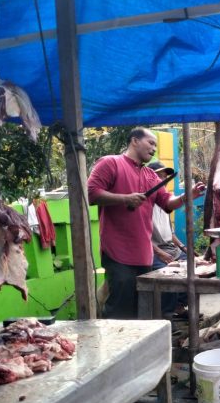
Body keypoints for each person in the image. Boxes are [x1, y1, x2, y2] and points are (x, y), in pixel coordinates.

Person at [87, 127, 205, 319]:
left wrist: (187, 196)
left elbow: (167, 203)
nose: (153, 149)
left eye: (156, 145)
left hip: (144, 255)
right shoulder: (111, 163)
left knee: (143, 312)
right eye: (150, 143)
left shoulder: (151, 176)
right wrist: (125, 199)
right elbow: (91, 194)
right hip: (118, 253)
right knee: (120, 311)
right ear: (134, 141)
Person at [147, 161, 189, 317]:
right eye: (159, 177)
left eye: (164, 177)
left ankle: (179, 306)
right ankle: (166, 314)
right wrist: (160, 253)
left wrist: (184, 248)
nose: (162, 181)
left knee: (192, 267)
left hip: (170, 248)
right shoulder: (145, 204)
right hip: (153, 251)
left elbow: (170, 233)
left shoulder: (166, 204)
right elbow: (143, 236)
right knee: (169, 275)